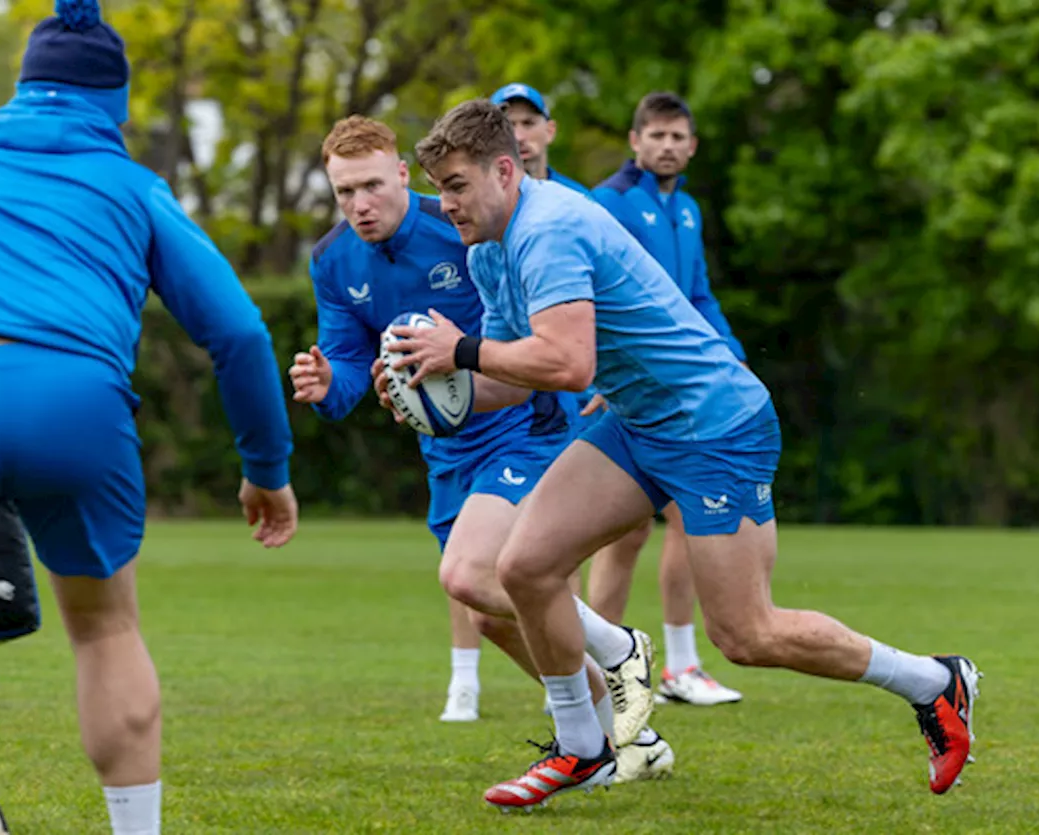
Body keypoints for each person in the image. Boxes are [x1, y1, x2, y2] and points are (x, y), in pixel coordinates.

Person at [397, 98, 980, 810]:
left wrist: (455, 349)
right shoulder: (488, 248)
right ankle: (584, 748)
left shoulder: (548, 230)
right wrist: (432, 388)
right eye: (439, 188)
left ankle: (933, 681)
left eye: (456, 185)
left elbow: (570, 365)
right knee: (523, 565)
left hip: (715, 427)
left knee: (746, 633)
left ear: (505, 169)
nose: (446, 203)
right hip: (640, 421)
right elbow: (513, 382)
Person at [0, 2, 299, 833]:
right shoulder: (134, 186)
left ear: (22, 86)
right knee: (106, 627)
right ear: (117, 105)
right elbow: (243, 333)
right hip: (78, 405)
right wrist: (266, 469)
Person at [292, 115, 657, 772]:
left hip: (527, 425)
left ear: (403, 174)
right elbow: (353, 369)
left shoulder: (463, 226)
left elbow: (538, 328)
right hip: (448, 448)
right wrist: (328, 385)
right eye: (344, 192)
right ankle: (625, 735)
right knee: (491, 612)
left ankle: (618, 648)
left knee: (475, 573)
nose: (359, 205)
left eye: (372, 185)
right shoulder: (333, 259)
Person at [491, 82, 673, 777]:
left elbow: (610, 314)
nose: (518, 133)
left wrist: (607, 379)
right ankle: (605, 684)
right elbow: (504, 343)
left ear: (547, 132)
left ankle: (615, 687)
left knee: (524, 565)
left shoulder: (568, 210)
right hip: (523, 415)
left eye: (527, 122)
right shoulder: (479, 231)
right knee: (501, 576)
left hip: (595, 400)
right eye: (505, 123)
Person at [589, 91, 747, 706]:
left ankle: (679, 668)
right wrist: (602, 376)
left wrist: (729, 350)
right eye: (656, 135)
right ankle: (595, 670)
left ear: (693, 145)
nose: (667, 146)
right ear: (634, 141)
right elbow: (593, 295)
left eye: (678, 136)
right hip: (627, 386)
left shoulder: (687, 210)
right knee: (619, 534)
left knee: (686, 517)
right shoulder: (608, 203)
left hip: (682, 385)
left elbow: (697, 294)